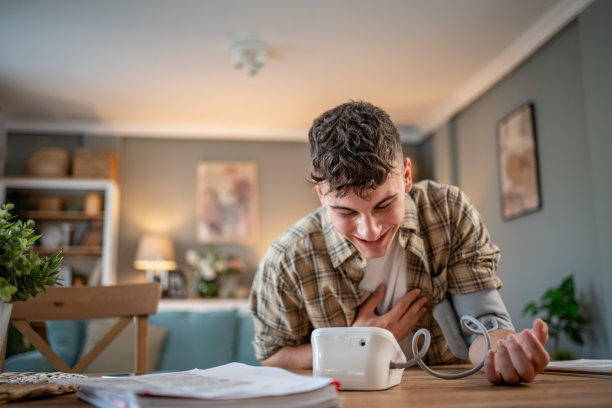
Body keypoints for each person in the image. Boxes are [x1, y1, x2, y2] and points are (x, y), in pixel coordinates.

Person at [249, 101, 549, 384]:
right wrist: (354, 346)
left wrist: (502, 351)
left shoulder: (449, 211)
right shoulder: (286, 260)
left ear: (406, 176)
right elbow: (273, 356)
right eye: (346, 212)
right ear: (321, 194)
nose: (370, 230)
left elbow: (482, 326)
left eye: (385, 204)